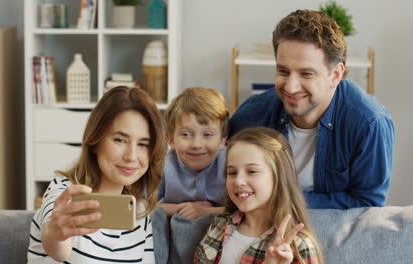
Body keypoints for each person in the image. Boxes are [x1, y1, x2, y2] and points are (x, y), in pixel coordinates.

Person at [229, 9, 394, 209]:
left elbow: (368, 204)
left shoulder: (369, 122)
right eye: (283, 71)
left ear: (335, 75)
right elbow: (221, 178)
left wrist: (283, 201)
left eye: (306, 74)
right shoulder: (252, 115)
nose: (291, 87)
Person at [27, 87, 166, 263]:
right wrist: (55, 233)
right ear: (95, 141)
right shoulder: (63, 191)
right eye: (119, 140)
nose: (131, 156)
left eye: (143, 144)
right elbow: (56, 246)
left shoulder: (139, 212)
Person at [194, 127, 323, 264]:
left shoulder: (298, 246)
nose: (238, 181)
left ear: (279, 177)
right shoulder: (219, 225)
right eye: (232, 172)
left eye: (252, 171)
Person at [157, 87, 228, 219]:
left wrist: (205, 212)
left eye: (207, 134)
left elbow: (244, 209)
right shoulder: (163, 166)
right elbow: (140, 205)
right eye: (186, 134)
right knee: (157, 217)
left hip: (220, 230)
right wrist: (178, 209)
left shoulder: (231, 164)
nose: (196, 145)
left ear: (222, 140)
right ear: (171, 140)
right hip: (174, 228)